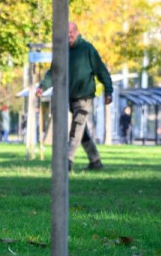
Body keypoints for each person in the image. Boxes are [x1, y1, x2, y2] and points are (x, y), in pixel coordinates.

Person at [38, 21, 113, 171]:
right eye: (66, 33)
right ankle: (95, 161)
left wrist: (108, 91)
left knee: (76, 128)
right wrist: (42, 86)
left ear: (77, 33)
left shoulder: (87, 49)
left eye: (71, 32)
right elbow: (53, 72)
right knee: (81, 131)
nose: (68, 35)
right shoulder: (62, 51)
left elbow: (101, 70)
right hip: (69, 97)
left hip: (84, 97)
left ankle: (67, 161)